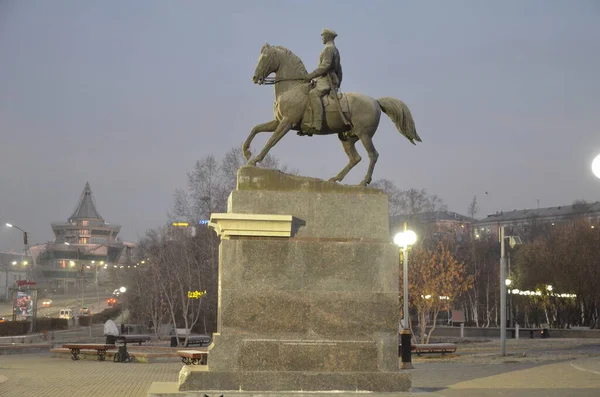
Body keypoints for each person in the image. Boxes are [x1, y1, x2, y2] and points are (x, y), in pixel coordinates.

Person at [304, 28, 343, 132]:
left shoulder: (329, 49)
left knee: (313, 94)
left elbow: (325, 66)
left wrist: (310, 76)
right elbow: (339, 69)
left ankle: (317, 123)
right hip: (324, 79)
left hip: (326, 80)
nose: (322, 38)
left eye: (323, 35)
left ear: (328, 36)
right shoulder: (333, 48)